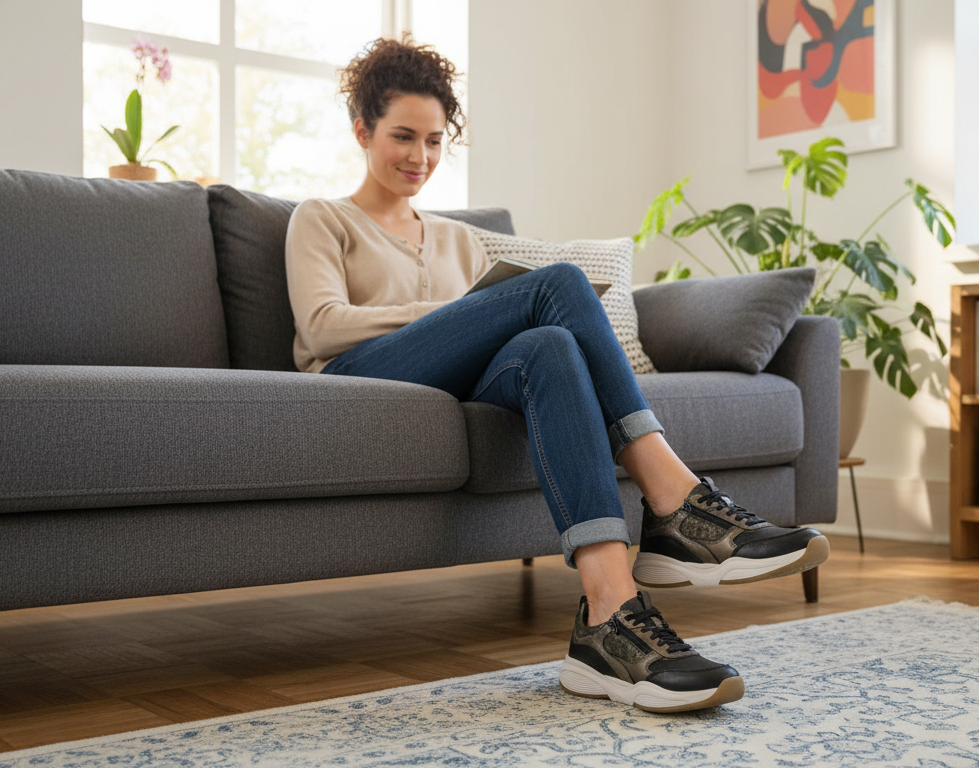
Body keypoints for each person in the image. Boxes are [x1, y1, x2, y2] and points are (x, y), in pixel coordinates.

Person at [284, 35, 829, 713]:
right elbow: (322, 328)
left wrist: (476, 319)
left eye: (433, 140)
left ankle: (608, 618)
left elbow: (479, 344)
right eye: (402, 136)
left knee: (550, 345)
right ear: (362, 130)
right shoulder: (323, 218)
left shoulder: (457, 237)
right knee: (559, 283)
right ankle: (674, 501)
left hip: (447, 383)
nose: (419, 156)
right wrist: (456, 314)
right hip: (361, 374)